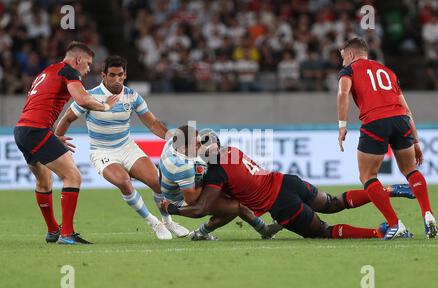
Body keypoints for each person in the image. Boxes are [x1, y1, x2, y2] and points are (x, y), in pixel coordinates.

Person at [164, 131, 415, 240]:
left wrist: (172, 208)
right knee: (334, 203)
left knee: (325, 232)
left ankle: (380, 233)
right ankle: (388, 190)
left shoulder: (216, 174)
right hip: (287, 181)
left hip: (282, 205)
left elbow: (201, 208)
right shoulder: (232, 151)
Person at [55, 55, 189, 240]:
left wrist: (173, 140)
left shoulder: (132, 96)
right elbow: (67, 118)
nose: (116, 79)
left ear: (125, 75)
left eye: (120, 75)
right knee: (124, 182)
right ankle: (153, 222)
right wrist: (57, 137)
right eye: (112, 75)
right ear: (103, 75)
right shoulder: (90, 96)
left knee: (158, 183)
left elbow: (153, 124)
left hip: (127, 148)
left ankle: (168, 222)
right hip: (102, 152)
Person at [14, 41, 119, 245]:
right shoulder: (69, 72)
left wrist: (50, 134)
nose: (88, 69)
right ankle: (67, 234)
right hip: (36, 130)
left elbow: (39, 104)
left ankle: (54, 230)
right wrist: (105, 106)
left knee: (44, 181)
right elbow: (82, 99)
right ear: (77, 59)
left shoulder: (48, 71)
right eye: (88, 64)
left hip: (23, 131)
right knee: (72, 176)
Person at [337, 38, 437, 239]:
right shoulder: (387, 72)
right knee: (411, 170)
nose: (342, 62)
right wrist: (416, 141)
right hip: (400, 120)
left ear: (351, 54)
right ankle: (428, 214)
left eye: (343, 56)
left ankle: (395, 224)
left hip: (375, 122)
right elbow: (406, 109)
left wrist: (342, 125)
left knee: (368, 176)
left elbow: (342, 93)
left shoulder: (349, 71)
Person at [159, 125, 279, 241]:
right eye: (196, 145)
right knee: (235, 206)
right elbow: (192, 201)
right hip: (182, 199)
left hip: (180, 187)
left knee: (233, 198)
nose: (200, 146)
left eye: (199, 142)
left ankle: (264, 230)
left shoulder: (173, 143)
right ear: (182, 149)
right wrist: (208, 178)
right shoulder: (183, 167)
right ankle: (200, 233)